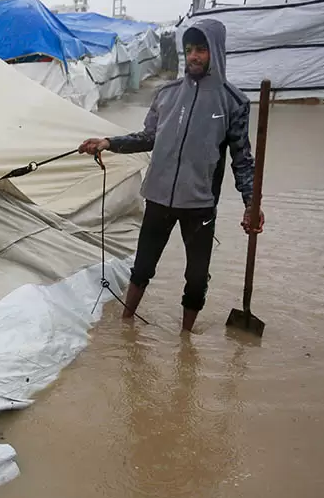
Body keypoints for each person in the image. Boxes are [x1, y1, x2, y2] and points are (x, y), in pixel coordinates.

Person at [79, 19, 261, 332]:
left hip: (200, 205)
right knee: (142, 268)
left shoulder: (234, 102)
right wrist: (108, 143)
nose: (193, 56)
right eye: (189, 50)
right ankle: (126, 327)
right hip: (158, 197)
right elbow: (147, 137)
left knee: (196, 278)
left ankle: (185, 341)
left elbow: (242, 160)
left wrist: (251, 204)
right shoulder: (166, 93)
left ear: (215, 51)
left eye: (201, 49)